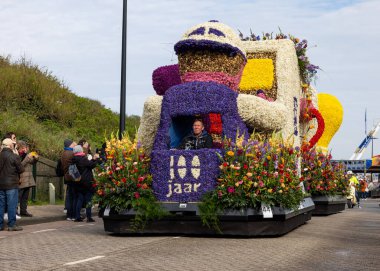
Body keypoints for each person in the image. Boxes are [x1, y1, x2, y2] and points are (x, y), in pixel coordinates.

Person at [0, 138, 25, 231]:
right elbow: (21, 169)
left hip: (1, 185)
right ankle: (11, 225)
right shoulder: (14, 156)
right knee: (11, 205)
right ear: (10, 146)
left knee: (1, 205)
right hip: (11, 185)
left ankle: (0, 225)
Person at [72, 145, 100, 222]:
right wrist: (95, 159)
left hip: (77, 182)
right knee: (89, 200)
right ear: (80, 151)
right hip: (87, 183)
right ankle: (89, 217)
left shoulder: (73, 160)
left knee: (79, 199)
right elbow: (91, 165)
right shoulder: (83, 159)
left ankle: (77, 216)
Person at [17, 141, 39, 217]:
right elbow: (20, 166)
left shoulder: (26, 155)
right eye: (23, 148)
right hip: (21, 179)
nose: (25, 149)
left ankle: (23, 211)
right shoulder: (17, 155)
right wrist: (27, 157)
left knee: (25, 197)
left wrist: (36, 158)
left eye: (25, 148)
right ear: (19, 147)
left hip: (28, 179)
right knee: (18, 197)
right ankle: (15, 212)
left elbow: (32, 162)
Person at [61, 139, 77, 221]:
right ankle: (73, 214)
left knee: (69, 195)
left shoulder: (64, 153)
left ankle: (68, 214)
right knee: (73, 196)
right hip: (72, 176)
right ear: (70, 145)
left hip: (66, 176)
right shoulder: (71, 153)